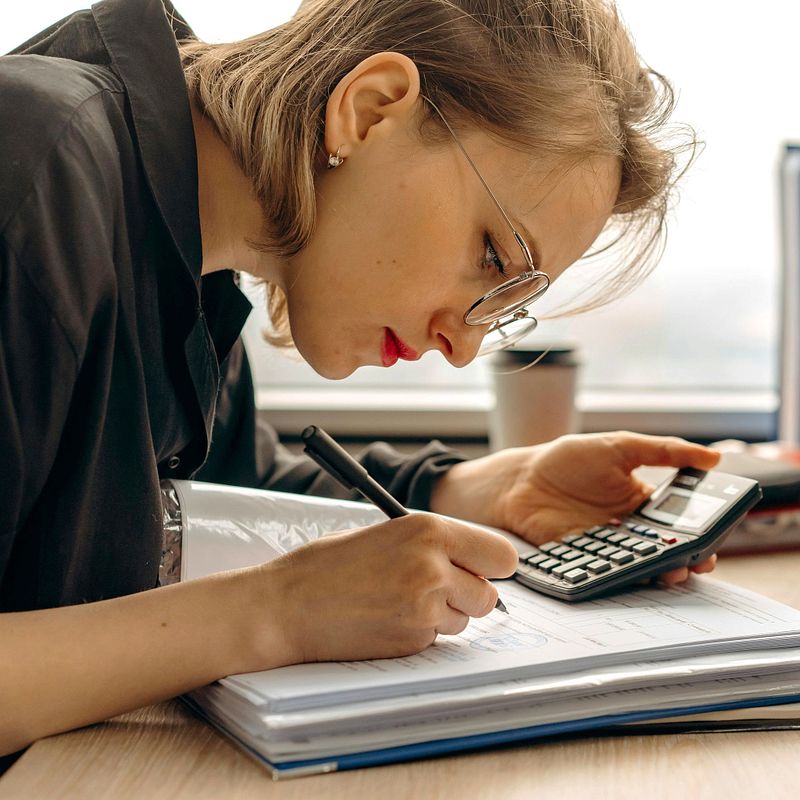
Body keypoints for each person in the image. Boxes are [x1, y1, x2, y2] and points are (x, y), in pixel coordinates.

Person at [0, 0, 720, 759]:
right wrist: (275, 614)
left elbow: (223, 488)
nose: (463, 346)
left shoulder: (193, 260)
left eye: (507, 304)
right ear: (371, 110)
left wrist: (467, 489)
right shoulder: (36, 167)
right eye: (493, 258)